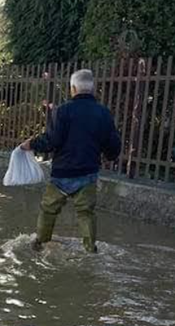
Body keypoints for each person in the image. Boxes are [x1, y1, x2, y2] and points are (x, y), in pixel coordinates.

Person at [21, 69, 121, 253]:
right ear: (93, 89)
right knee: (86, 213)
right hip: (88, 173)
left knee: (48, 209)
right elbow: (113, 144)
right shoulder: (103, 113)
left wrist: (32, 144)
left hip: (62, 174)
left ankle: (39, 244)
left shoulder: (63, 111)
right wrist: (110, 156)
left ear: (73, 89)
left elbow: (52, 140)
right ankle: (90, 249)